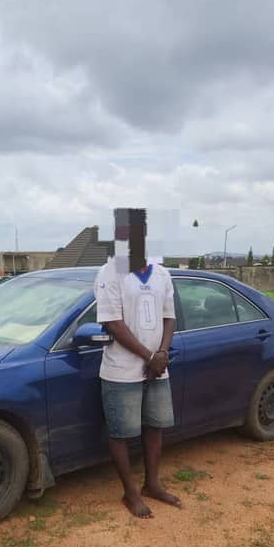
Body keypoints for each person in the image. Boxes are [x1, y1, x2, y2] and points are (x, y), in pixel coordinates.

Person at [94, 215, 180, 519]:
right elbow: (113, 323)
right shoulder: (110, 272)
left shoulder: (162, 274)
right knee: (121, 432)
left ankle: (152, 484)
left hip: (158, 366)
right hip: (121, 369)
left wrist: (162, 353)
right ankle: (130, 492)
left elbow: (169, 316)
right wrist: (149, 356)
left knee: (154, 426)